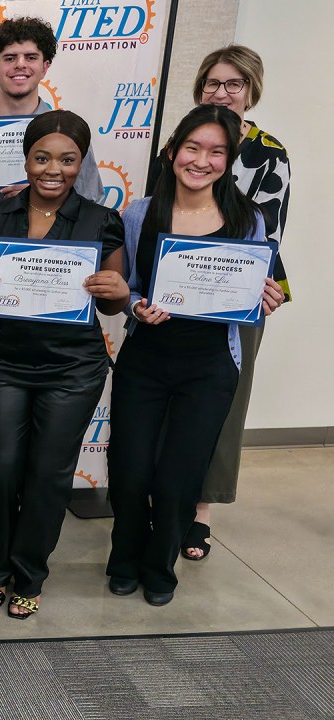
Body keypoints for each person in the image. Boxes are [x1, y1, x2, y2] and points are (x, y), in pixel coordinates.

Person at [108, 105, 283, 606]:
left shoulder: (246, 220)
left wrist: (263, 298)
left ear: (227, 161)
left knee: (179, 477)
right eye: (192, 148)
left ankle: (160, 566)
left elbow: (249, 290)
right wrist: (136, 306)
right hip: (146, 359)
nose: (201, 160)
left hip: (210, 366)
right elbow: (130, 288)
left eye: (216, 152)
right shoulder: (139, 214)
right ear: (172, 151)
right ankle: (124, 557)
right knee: (130, 469)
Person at [0, 110, 129, 618]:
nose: (53, 169)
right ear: (26, 158)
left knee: (49, 474)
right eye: (42, 157)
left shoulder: (103, 221)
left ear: (82, 163)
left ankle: (30, 572)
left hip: (74, 369)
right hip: (10, 361)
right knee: (2, 467)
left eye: (67, 159)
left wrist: (119, 292)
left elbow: (111, 305)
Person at [183, 45, 292, 561]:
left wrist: (259, 288)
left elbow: (268, 236)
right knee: (173, 398)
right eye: (212, 84)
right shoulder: (181, 143)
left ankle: (201, 510)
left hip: (238, 296)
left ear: (250, 89)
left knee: (226, 402)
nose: (221, 93)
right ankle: (167, 494)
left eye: (232, 85)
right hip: (180, 289)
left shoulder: (270, 152)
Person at [0, 16, 104, 211]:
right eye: (10, 58)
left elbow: (92, 205)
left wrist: (47, 197)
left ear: (44, 68)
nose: (20, 64)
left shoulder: (70, 135)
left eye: (31, 57)